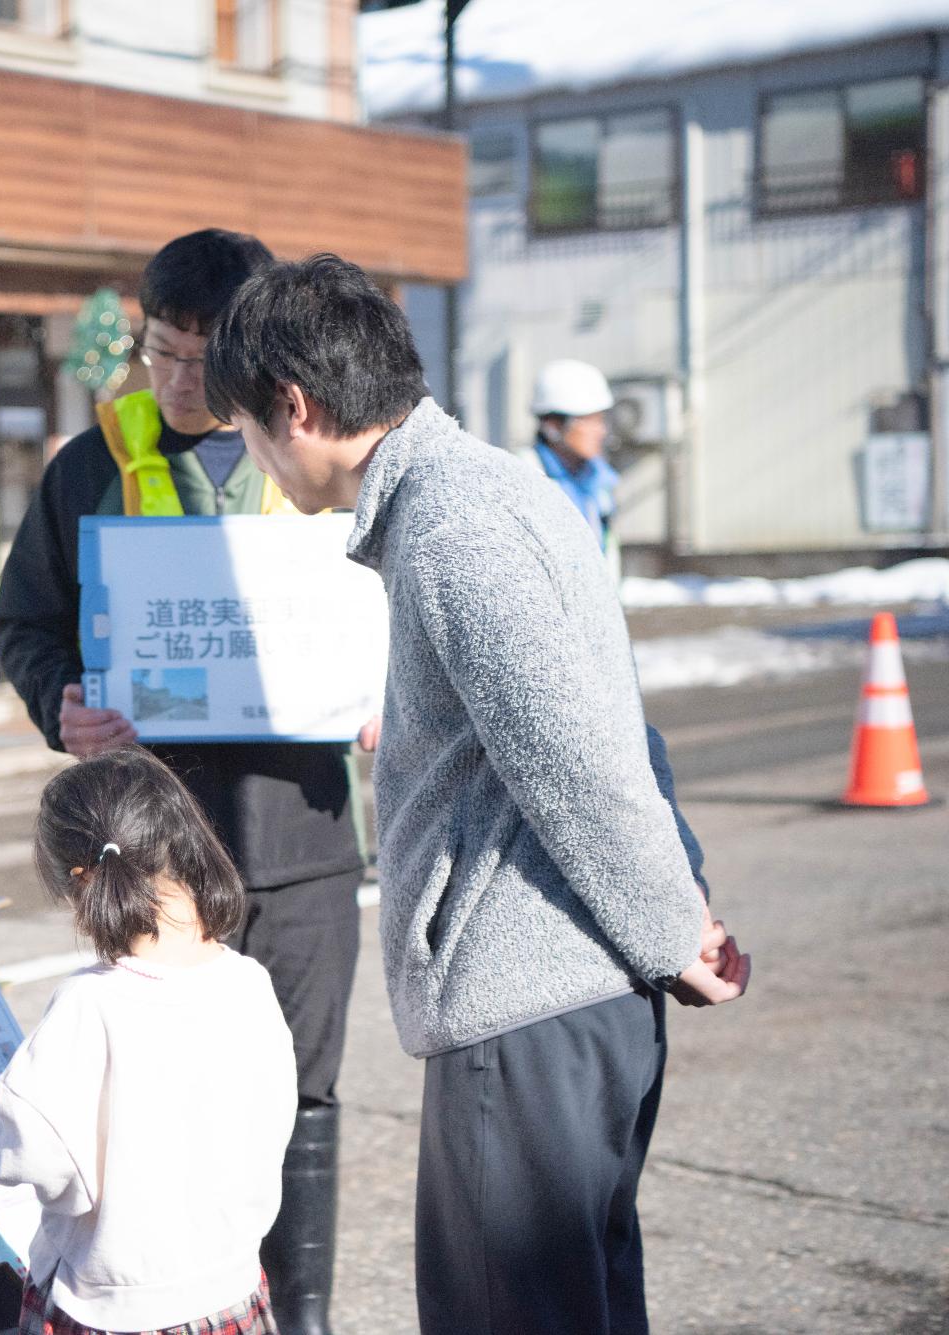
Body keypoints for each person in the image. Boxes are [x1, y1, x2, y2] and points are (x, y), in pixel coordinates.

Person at [203, 254, 752, 1335]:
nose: (249, 454)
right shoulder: (491, 490)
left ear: (296, 409)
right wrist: (668, 910)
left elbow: (578, 757)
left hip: (527, 1006)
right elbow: (615, 717)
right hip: (568, 998)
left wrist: (668, 927)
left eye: (246, 428)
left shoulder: (453, 528)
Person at [0, 229, 360, 1333]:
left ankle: (297, 1319)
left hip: (296, 846)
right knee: (149, 1097)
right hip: (147, 855)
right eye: (160, 355)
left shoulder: (313, 455)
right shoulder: (88, 466)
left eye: (205, 362)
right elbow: (23, 624)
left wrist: (391, 694)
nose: (180, 384)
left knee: (299, 1096)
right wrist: (59, 698)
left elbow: (394, 612)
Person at [0, 747, 294, 1335]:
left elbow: (29, 1152)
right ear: (184, 842)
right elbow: (275, 1124)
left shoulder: (88, 1004)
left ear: (77, 881)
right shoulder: (248, 981)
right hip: (229, 1290)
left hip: (109, 1309)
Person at [528, 358, 621, 552]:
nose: (601, 431)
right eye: (589, 421)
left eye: (601, 420)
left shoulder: (599, 479)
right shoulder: (526, 475)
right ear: (552, 425)